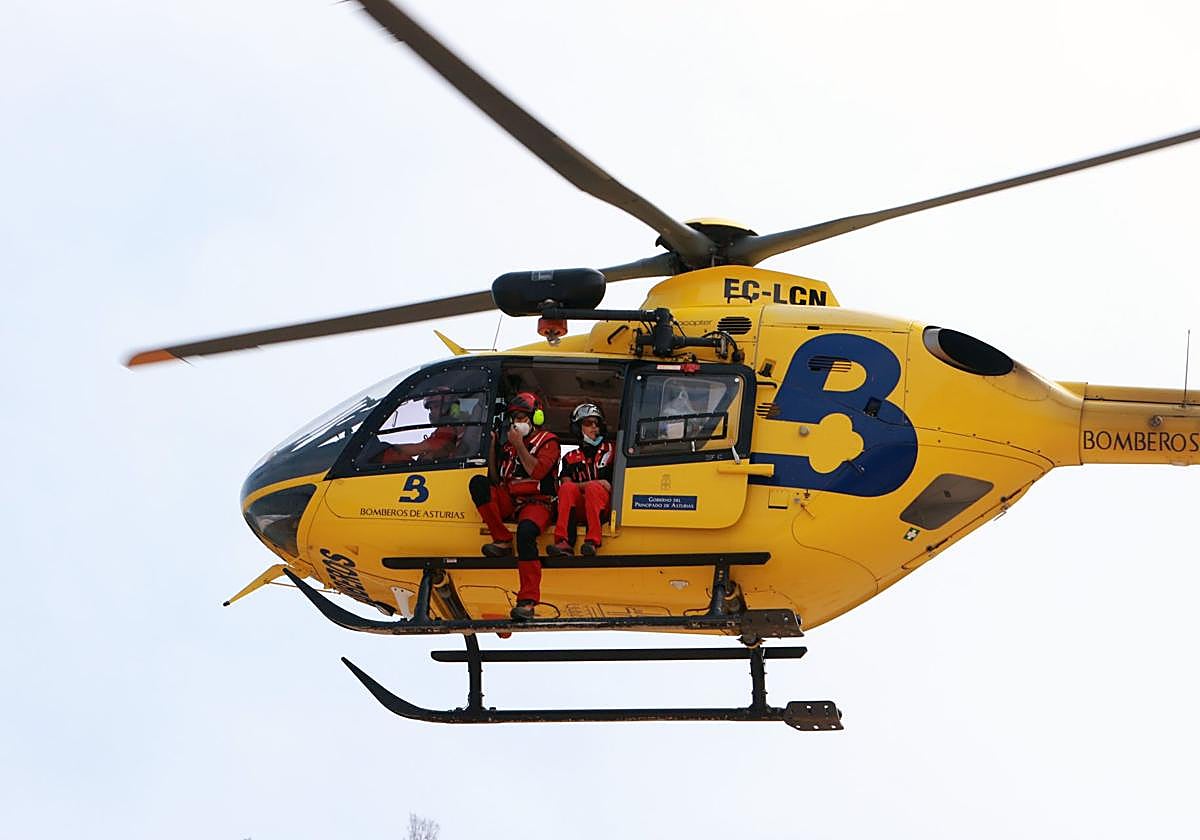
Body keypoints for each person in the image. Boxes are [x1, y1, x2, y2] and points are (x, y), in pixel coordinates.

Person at [468, 391, 560, 621]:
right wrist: (491, 447)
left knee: (527, 533)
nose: (519, 422)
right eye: (515, 418)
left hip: (538, 503)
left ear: (535, 418)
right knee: (479, 484)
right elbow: (497, 479)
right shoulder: (508, 448)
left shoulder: (549, 441)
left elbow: (536, 472)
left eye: (523, 417)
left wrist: (519, 445)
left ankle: (528, 600)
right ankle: (501, 539)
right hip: (513, 501)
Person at [548, 403, 616, 557]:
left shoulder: (613, 451)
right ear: (578, 428)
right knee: (568, 489)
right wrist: (595, 483)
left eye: (596, 423)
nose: (594, 427)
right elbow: (566, 484)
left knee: (593, 488)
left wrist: (591, 486)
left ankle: (592, 542)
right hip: (579, 510)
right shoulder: (569, 458)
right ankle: (563, 542)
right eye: (588, 423)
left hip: (605, 510)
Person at [374, 386, 466, 464]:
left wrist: (388, 448)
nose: (432, 412)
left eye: (436, 406)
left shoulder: (448, 430)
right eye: (430, 408)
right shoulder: (448, 430)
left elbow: (418, 448)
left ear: (451, 407)